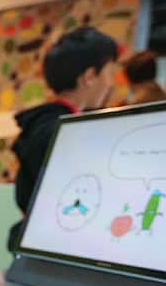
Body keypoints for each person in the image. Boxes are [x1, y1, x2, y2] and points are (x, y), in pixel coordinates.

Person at [8, 26, 119, 251]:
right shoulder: (63, 131)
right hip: (53, 247)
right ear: (89, 76)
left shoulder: (46, 124)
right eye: (109, 73)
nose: (111, 83)